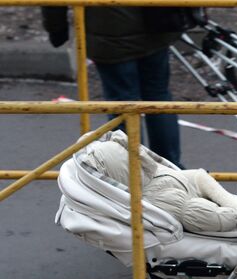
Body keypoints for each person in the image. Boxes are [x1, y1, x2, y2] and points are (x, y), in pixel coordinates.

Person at [41, 6, 184, 167]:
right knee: (159, 98)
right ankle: (170, 167)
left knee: (122, 105)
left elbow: (52, 4)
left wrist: (56, 28)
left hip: (109, 37)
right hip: (155, 26)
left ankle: (133, 171)